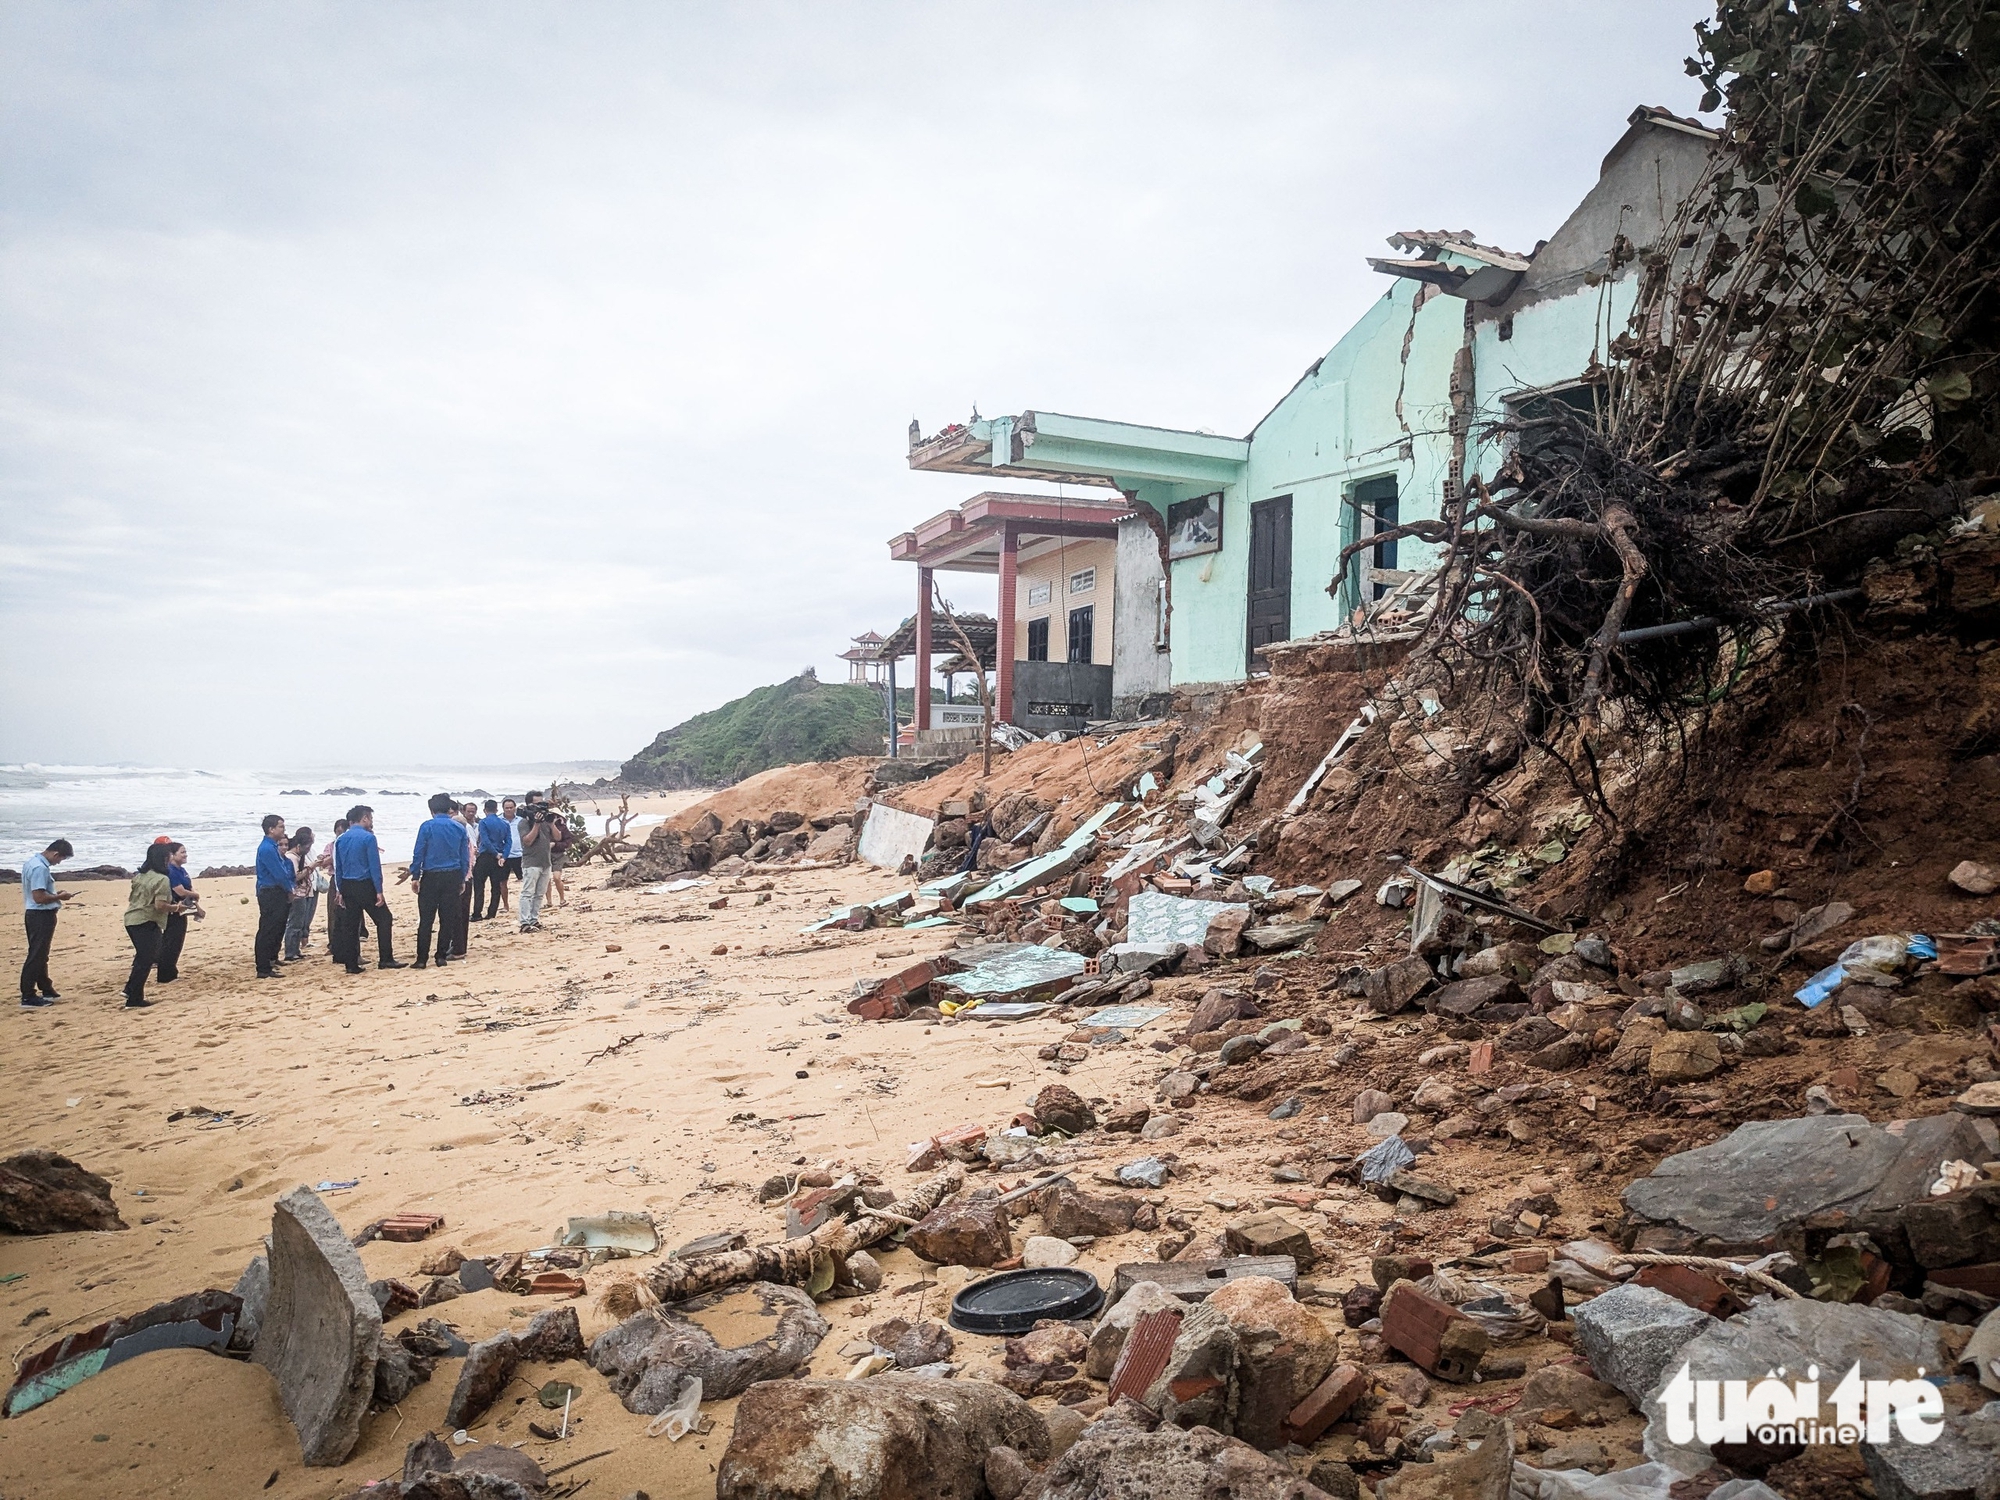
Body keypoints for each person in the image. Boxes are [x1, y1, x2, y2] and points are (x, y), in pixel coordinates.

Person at [332, 805, 401, 973]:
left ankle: (351, 964)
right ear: (364, 818)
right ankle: (386, 958)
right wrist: (379, 890)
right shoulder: (368, 838)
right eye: (370, 818)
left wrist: (339, 890)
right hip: (364, 883)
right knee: (384, 918)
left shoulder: (341, 839)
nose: (371, 822)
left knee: (351, 924)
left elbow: (338, 867)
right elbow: (374, 866)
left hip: (347, 884)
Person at [407, 793, 470, 969]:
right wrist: (463, 877)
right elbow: (464, 856)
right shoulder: (458, 827)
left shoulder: (427, 826)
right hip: (452, 874)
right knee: (447, 918)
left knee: (426, 919)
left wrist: (415, 875)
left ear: (432, 809)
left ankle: (421, 959)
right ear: (449, 809)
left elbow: (419, 851)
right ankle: (441, 956)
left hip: (431, 875)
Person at [123, 843, 180, 1008]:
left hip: (131, 919)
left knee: (143, 957)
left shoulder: (140, 876)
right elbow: (160, 905)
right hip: (146, 920)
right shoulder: (162, 879)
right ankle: (133, 997)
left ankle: (131, 990)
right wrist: (176, 908)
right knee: (146, 959)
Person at [19, 838, 75, 1009]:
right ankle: (28, 995)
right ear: (56, 854)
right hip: (40, 915)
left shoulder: (32, 862)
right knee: (37, 955)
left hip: (34, 914)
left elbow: (39, 893)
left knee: (40, 953)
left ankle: (46, 987)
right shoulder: (40, 868)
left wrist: (54, 894)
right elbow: (39, 897)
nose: (59, 863)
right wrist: (59, 896)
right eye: (60, 859)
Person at [156, 840, 202, 983]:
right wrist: (195, 895)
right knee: (171, 941)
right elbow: (180, 891)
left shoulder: (181, 870)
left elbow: (188, 886)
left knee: (177, 941)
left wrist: (194, 898)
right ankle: (165, 975)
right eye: (182, 852)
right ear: (172, 855)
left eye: (185, 852)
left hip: (182, 908)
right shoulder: (171, 870)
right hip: (173, 909)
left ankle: (171, 972)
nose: (185, 855)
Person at [254, 814, 291, 978]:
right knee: (267, 929)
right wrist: (290, 889)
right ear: (271, 829)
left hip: (274, 890)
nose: (283, 829)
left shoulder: (272, 846)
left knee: (275, 927)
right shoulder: (267, 848)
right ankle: (263, 967)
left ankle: (269, 960)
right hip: (270, 891)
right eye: (280, 826)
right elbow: (278, 874)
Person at [517, 794, 553, 932]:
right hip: (531, 862)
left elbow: (556, 836)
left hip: (545, 861)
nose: (540, 807)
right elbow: (527, 841)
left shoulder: (544, 821)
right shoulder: (524, 822)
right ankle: (524, 922)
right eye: (537, 804)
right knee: (527, 893)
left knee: (539, 893)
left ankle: (534, 919)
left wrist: (550, 822)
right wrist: (536, 824)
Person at [282, 828, 319, 963]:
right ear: (298, 846)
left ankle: (295, 950)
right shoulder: (292, 857)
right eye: (307, 847)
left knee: (300, 922)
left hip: (302, 893)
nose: (308, 850)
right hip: (297, 894)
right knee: (294, 923)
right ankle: (290, 951)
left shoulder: (298, 857)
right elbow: (296, 877)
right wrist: (311, 867)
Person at [473, 799, 511, 920]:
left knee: (479, 885)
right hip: (499, 856)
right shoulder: (504, 824)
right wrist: (503, 855)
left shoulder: (483, 823)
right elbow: (509, 842)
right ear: (497, 809)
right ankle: (491, 913)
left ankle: (477, 913)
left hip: (486, 856)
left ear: (485, 810)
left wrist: (495, 853)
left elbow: (485, 840)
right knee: (496, 886)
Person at [454, 802, 479, 957]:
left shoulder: (466, 832)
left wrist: (465, 875)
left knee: (460, 913)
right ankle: (457, 946)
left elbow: (470, 855)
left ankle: (458, 948)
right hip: (463, 875)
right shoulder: (464, 830)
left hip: (464, 877)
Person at [321, 818, 346, 957]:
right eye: (338, 832)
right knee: (333, 912)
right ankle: (333, 944)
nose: (339, 835)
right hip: (334, 878)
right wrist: (334, 857)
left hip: (348, 879)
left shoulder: (349, 843)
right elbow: (323, 863)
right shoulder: (331, 846)